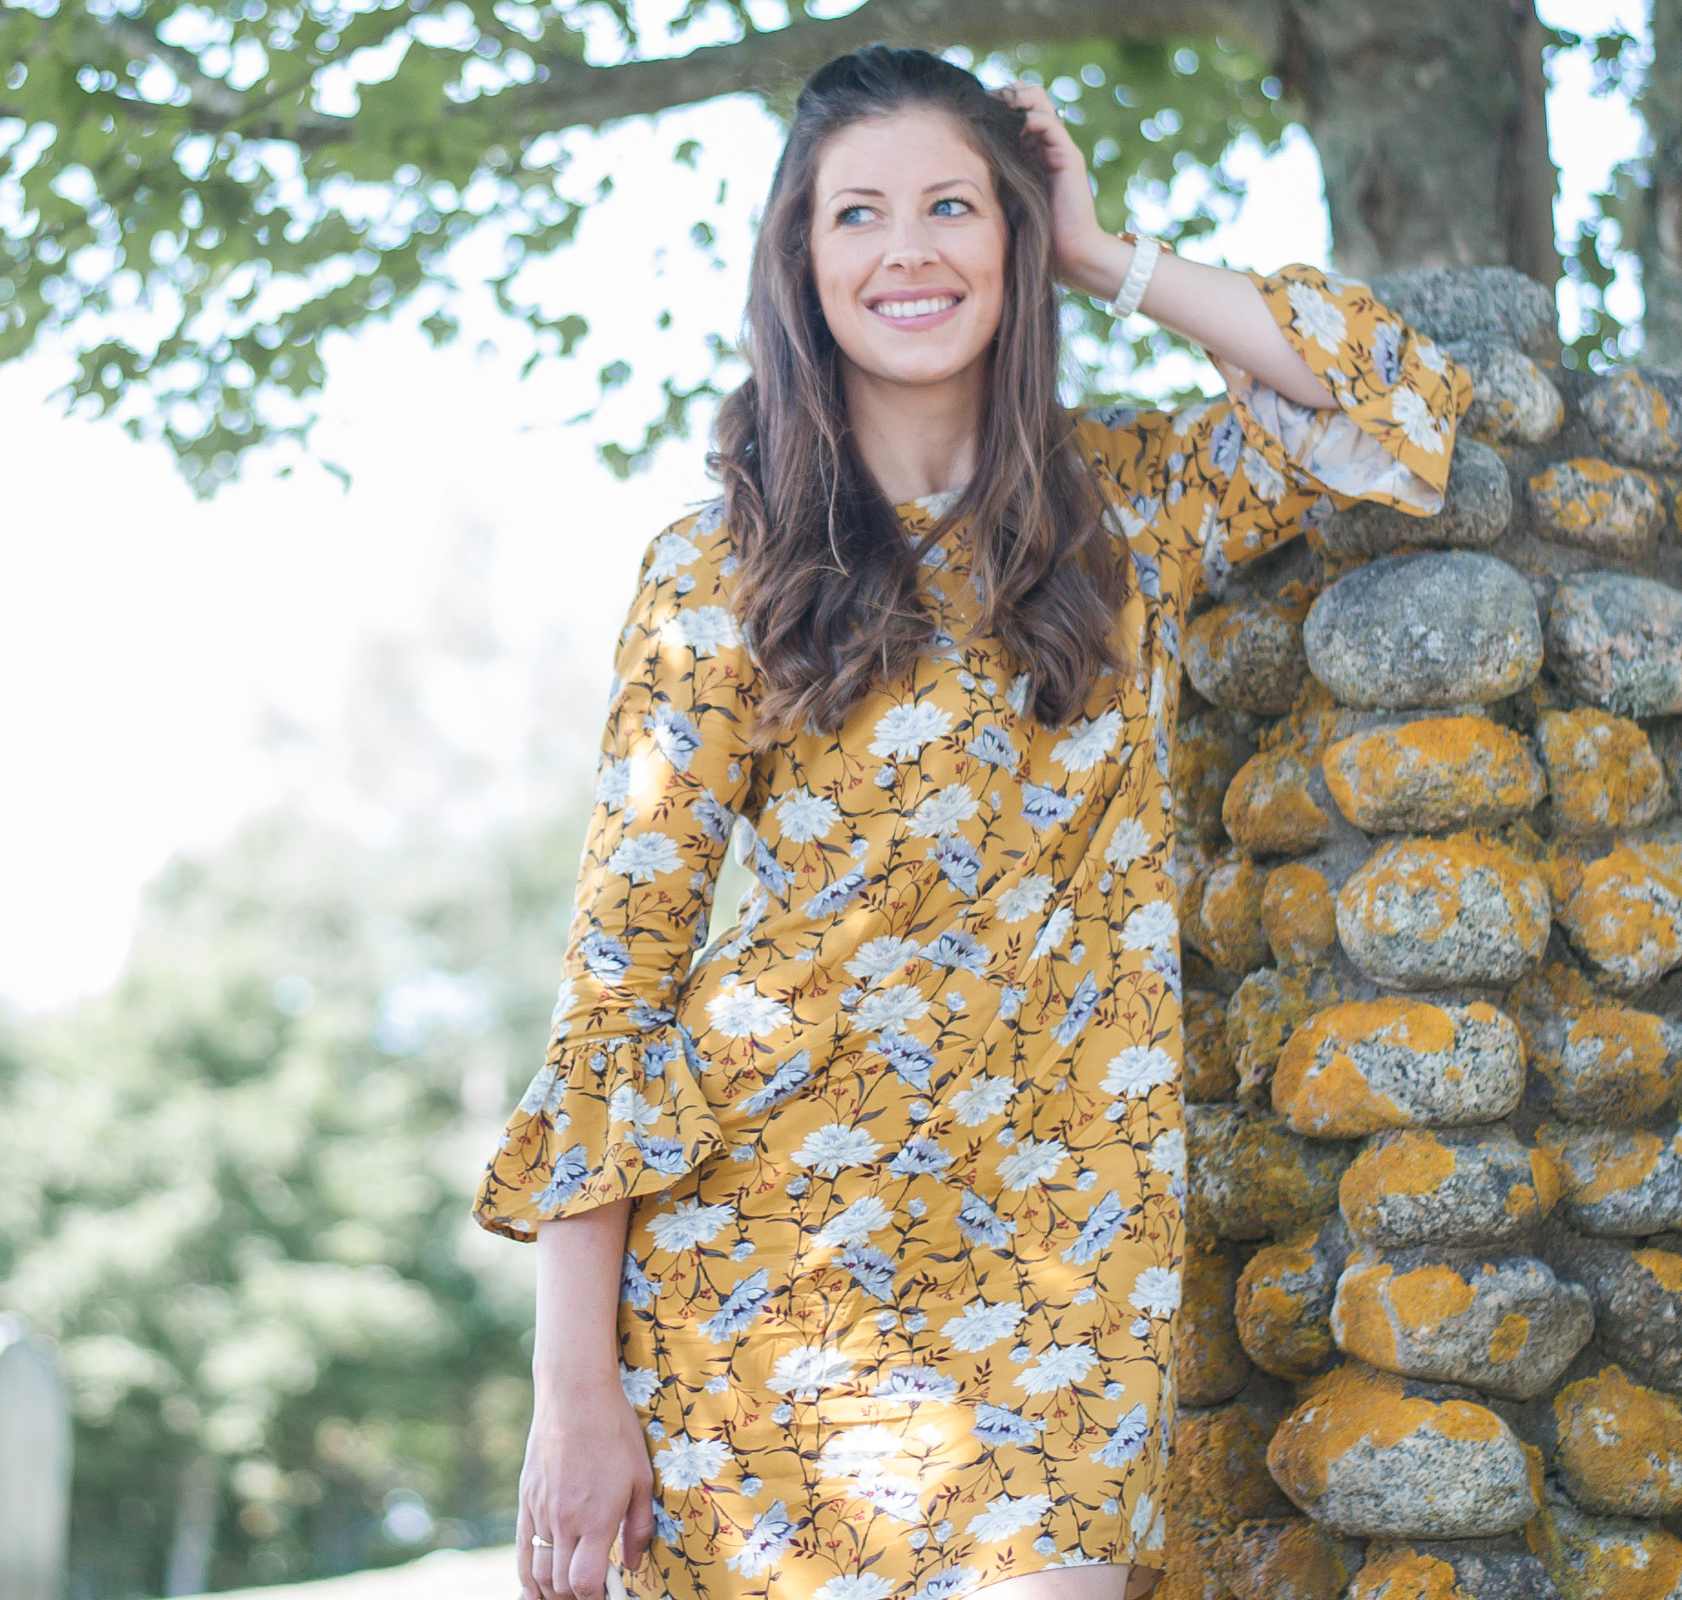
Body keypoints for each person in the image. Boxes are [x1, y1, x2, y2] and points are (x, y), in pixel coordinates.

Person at [473, 43, 1470, 1600]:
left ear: (1012, 237)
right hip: (765, 1272)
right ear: (800, 267)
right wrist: (574, 1392)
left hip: (1066, 1261)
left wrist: (1103, 250)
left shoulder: (1130, 504)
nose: (910, 249)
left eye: (955, 204)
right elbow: (616, 988)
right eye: (855, 216)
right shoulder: (714, 571)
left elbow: (1392, 408)